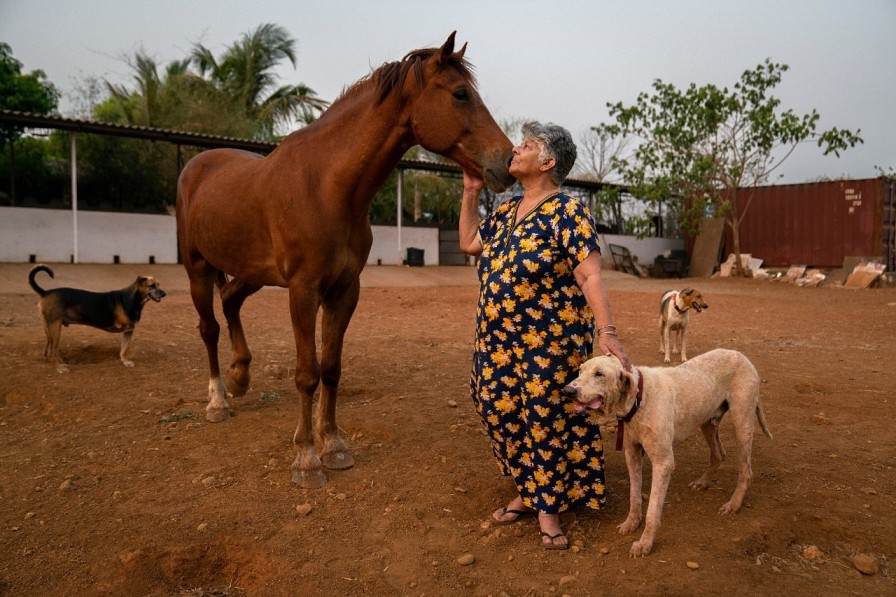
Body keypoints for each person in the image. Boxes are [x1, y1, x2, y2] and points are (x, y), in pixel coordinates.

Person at [459, 121, 631, 550]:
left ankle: (548, 509)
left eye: (527, 145)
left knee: (545, 421)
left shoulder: (568, 212)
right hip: (495, 342)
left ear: (549, 162)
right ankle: (531, 489)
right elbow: (467, 243)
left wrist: (607, 332)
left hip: (549, 344)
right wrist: (470, 190)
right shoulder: (504, 211)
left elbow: (590, 274)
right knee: (498, 410)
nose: (516, 149)